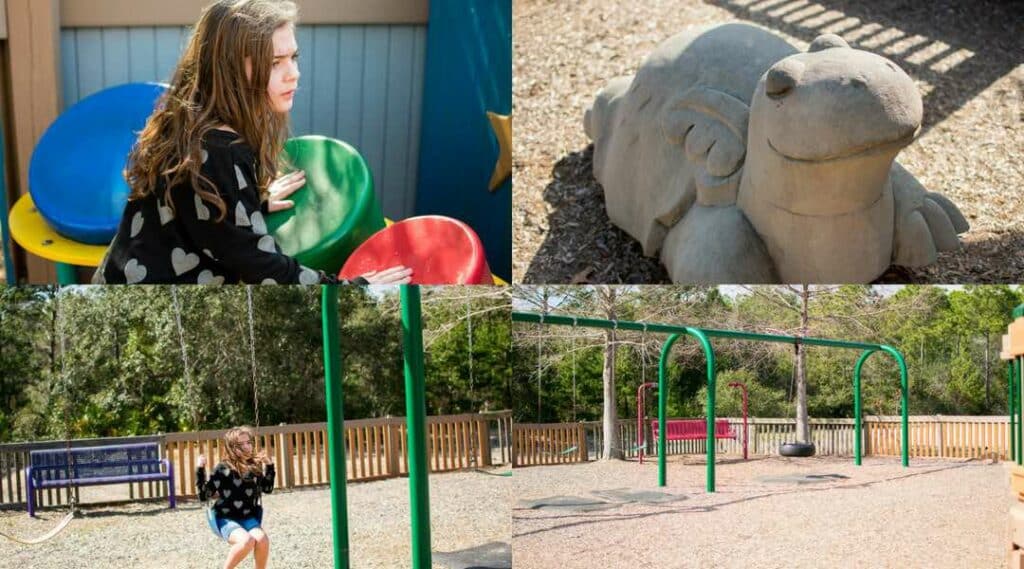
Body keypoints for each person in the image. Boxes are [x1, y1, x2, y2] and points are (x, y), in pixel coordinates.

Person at [94, 0, 411, 285]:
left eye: (293, 57)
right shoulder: (219, 151)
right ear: (230, 70)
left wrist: (246, 203)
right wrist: (353, 289)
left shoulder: (189, 119)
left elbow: (194, 213)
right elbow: (261, 269)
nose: (294, 73)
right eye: (274, 63)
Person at [197, 426, 275, 569]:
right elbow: (204, 495)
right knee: (246, 541)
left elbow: (267, 489)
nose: (247, 447)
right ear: (231, 448)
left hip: (247, 517)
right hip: (225, 518)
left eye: (248, 442)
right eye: (241, 445)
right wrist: (200, 469)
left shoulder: (254, 466)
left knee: (262, 540)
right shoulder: (223, 468)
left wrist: (269, 466)